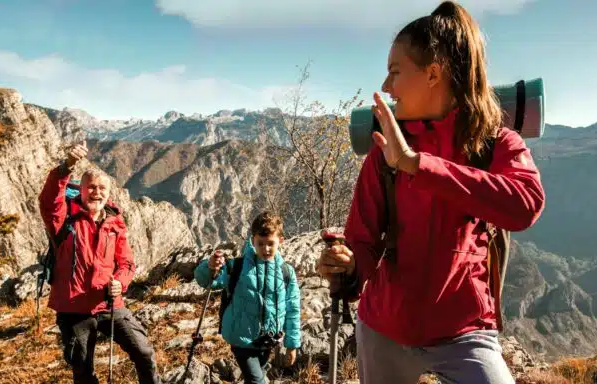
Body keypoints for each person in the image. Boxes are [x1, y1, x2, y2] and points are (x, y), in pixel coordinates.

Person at [315, 1, 546, 383]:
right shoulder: (384, 148)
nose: (387, 86)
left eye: (395, 72)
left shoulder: (494, 143)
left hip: (465, 333)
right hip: (383, 330)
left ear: (433, 74)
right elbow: (364, 238)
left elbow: (525, 205)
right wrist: (349, 264)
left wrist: (417, 164)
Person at [38, 141, 160, 384]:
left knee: (144, 352)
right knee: (83, 370)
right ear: (80, 190)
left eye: (102, 188)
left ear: (108, 193)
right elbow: (49, 200)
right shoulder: (64, 219)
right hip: (73, 308)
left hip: (109, 303)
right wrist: (66, 166)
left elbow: (126, 264)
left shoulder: (115, 224)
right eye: (91, 187)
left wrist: (121, 284)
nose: (96, 192)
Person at [194, 211, 301, 384]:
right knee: (258, 381)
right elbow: (206, 280)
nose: (266, 248)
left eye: (270, 244)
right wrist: (210, 266)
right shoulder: (237, 267)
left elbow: (293, 309)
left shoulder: (286, 272)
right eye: (260, 243)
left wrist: (292, 344)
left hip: (267, 341)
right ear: (252, 241)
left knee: (253, 379)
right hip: (241, 340)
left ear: (281, 241)